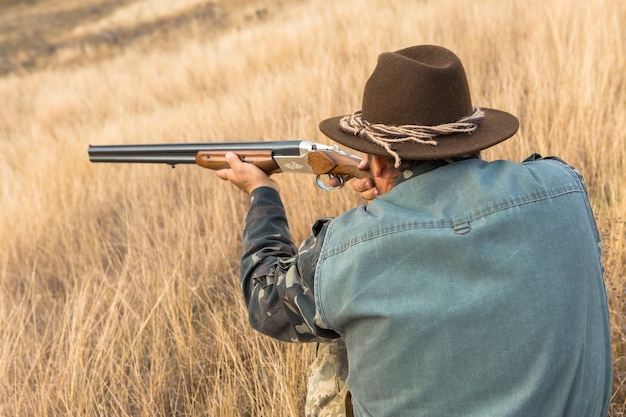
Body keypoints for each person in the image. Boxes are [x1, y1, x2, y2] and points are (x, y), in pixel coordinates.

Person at [215, 45, 612, 416]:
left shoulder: (346, 249)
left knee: (335, 344)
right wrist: (395, 194)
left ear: (377, 160)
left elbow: (264, 302)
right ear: (472, 134)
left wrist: (261, 190)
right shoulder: (565, 185)